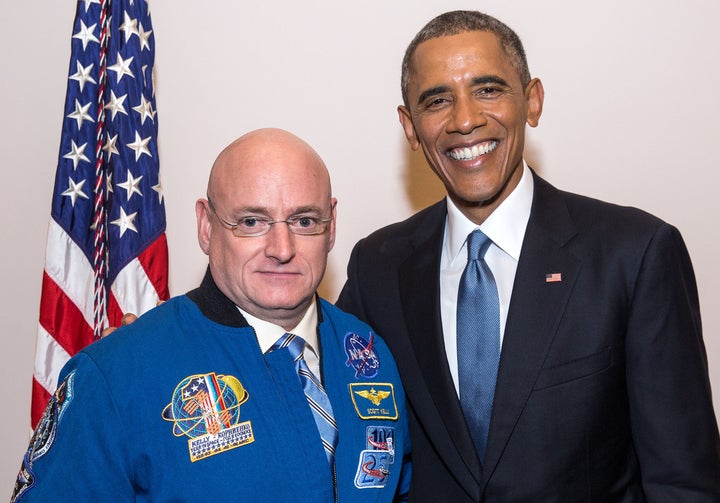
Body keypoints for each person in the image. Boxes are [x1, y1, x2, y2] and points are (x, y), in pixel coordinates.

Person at [336, 10, 720, 502]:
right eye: (437, 101)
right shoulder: (377, 267)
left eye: (489, 90)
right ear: (410, 127)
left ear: (532, 101)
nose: (466, 119)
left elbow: (682, 484)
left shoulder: (635, 255)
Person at [13, 128, 411, 502]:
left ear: (331, 224)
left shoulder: (369, 355)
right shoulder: (116, 375)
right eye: (252, 222)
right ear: (206, 226)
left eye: (304, 221)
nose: (282, 248)